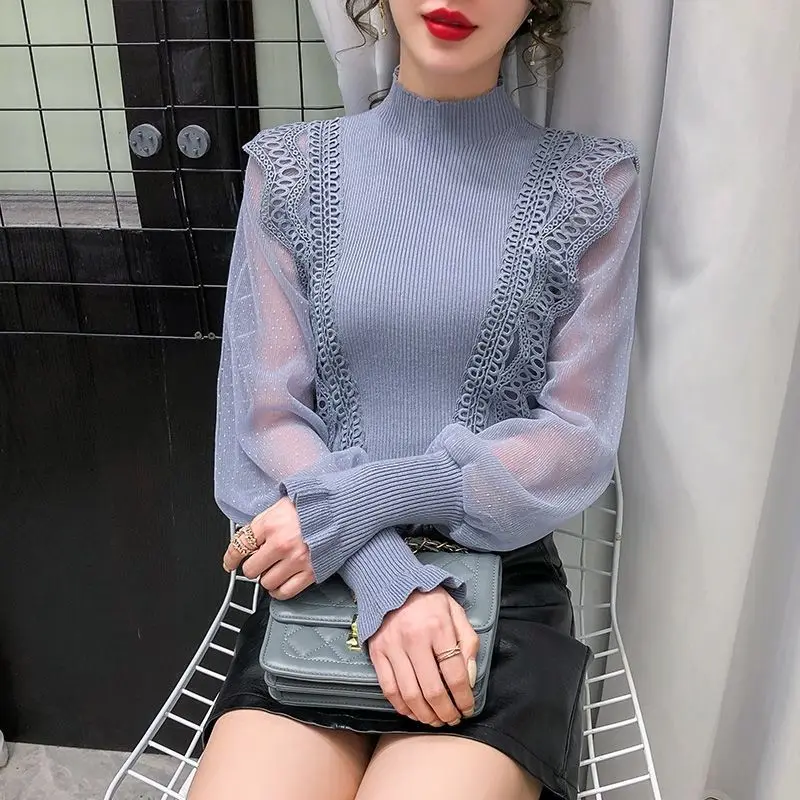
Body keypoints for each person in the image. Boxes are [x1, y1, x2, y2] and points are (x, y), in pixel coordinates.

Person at [189, 1, 641, 798]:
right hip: (328, 574)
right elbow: (264, 419)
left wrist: (363, 500)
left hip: (495, 583)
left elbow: (576, 438)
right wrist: (385, 573)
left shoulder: (592, 184)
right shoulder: (290, 171)